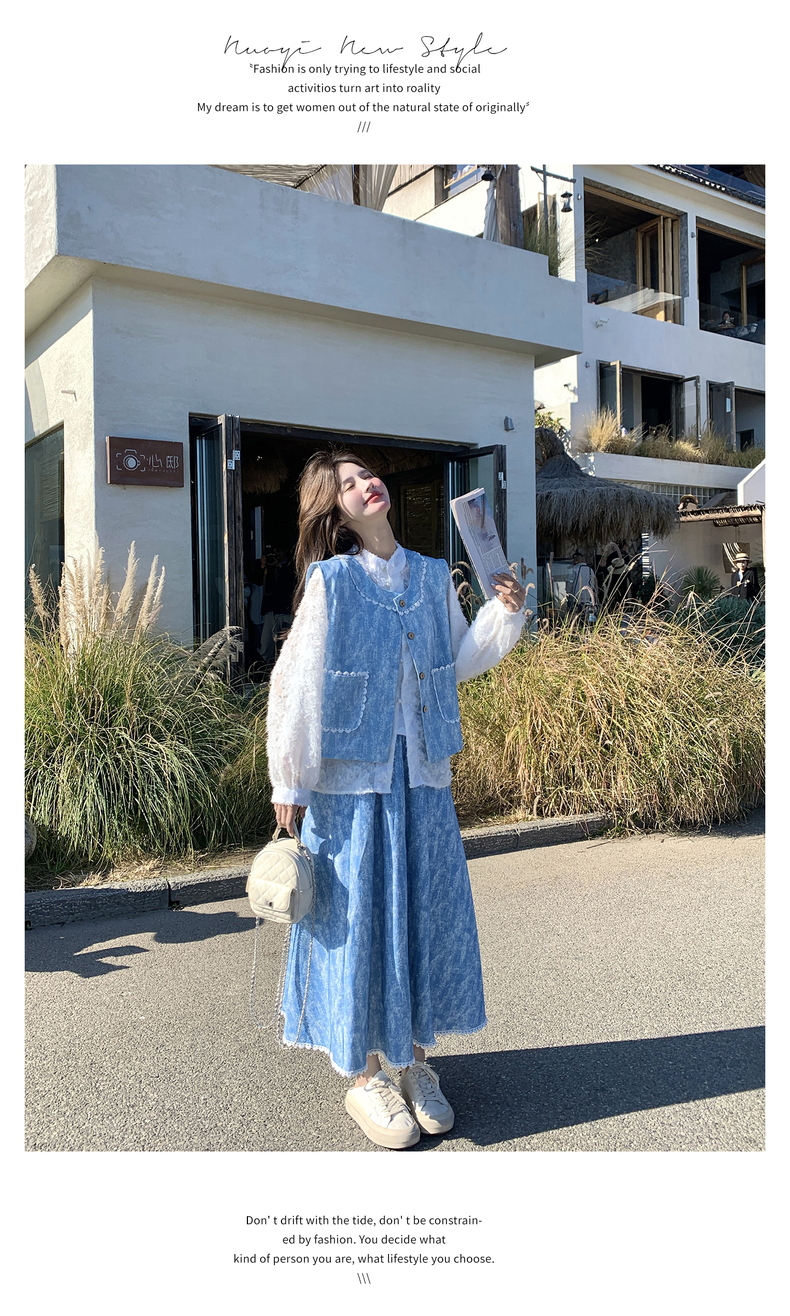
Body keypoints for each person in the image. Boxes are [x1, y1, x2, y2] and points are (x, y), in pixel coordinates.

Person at [265, 449, 526, 1150]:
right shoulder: (331, 581)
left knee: (420, 912)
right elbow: (297, 680)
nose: (364, 485)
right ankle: (364, 1075)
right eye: (346, 484)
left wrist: (502, 615)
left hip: (422, 775)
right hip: (350, 783)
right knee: (358, 920)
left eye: (366, 474)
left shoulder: (434, 574)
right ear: (335, 510)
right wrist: (289, 780)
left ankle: (413, 1063)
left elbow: (458, 660)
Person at [567, 550, 597, 617]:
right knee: (586, 616)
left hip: (576, 598)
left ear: (575, 560)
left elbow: (569, 584)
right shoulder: (590, 569)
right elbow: (593, 582)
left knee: (576, 615)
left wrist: (568, 594)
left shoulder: (573, 569)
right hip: (588, 598)